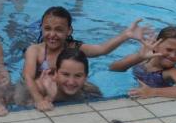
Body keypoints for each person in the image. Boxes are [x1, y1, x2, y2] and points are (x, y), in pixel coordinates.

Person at [16, 6, 151, 111]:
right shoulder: (35, 50)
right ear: (41, 29)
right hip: (41, 87)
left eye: (59, 30)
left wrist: (126, 35)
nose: (52, 34)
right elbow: (28, 77)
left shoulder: (74, 47)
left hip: (66, 83)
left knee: (94, 91)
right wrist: (39, 100)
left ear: (68, 31)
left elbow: (101, 49)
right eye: (47, 29)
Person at [109, 26, 176, 99]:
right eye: (169, 50)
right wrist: (138, 57)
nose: (172, 56)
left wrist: (153, 91)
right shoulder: (142, 58)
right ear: (155, 46)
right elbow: (114, 68)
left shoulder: (171, 72)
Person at [18, 48, 102, 110]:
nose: (71, 82)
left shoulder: (91, 90)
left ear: (85, 77)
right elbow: (23, 108)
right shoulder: (41, 88)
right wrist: (49, 97)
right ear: (55, 74)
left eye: (78, 76)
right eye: (65, 74)